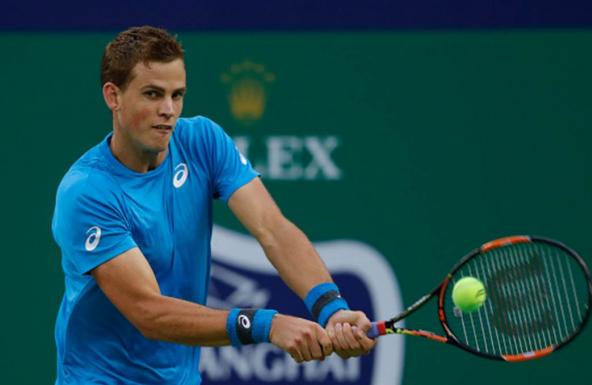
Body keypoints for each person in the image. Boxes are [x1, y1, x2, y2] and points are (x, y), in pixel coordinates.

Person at [52, 26, 375, 384]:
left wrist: (332, 308)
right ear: (113, 96)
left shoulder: (202, 140)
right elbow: (148, 312)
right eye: (152, 94)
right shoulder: (87, 192)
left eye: (178, 95)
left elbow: (273, 229)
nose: (168, 110)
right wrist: (266, 324)